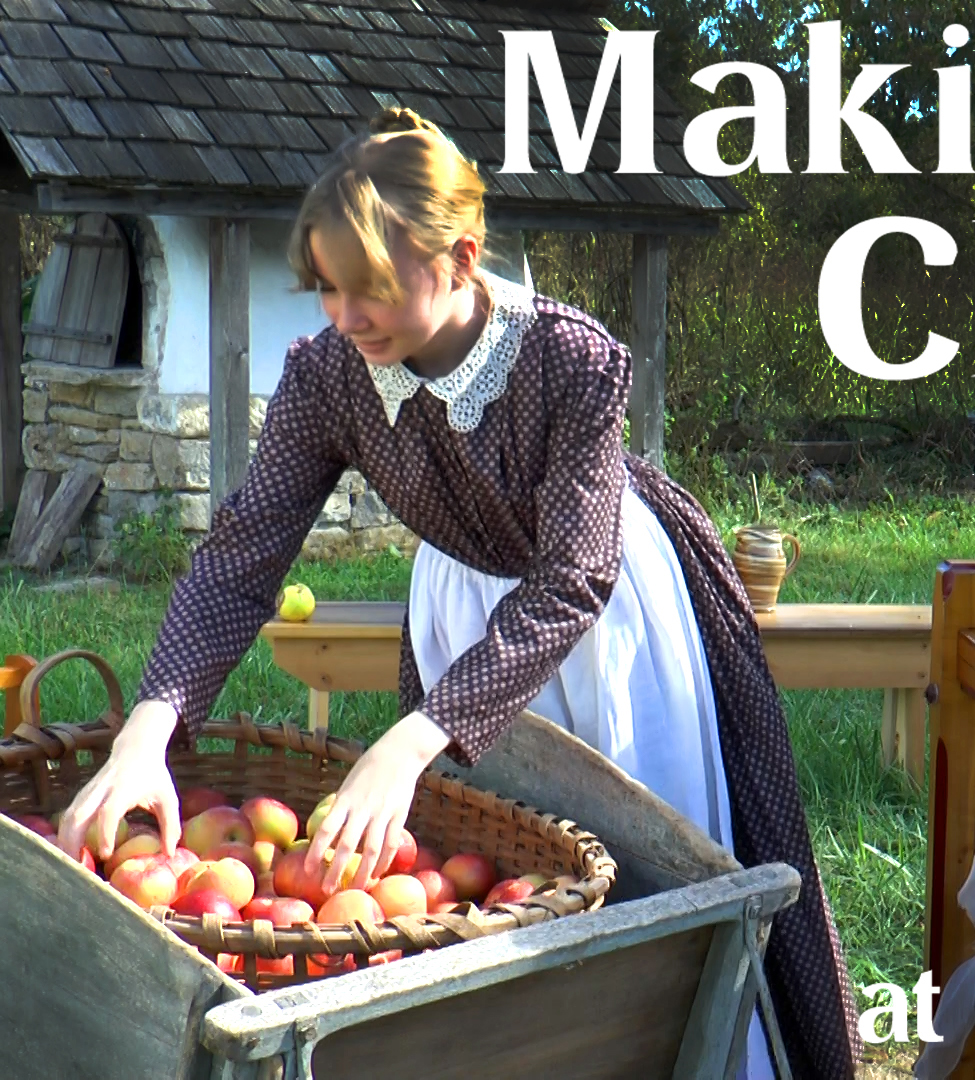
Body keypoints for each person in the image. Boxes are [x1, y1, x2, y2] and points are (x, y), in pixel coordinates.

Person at [54, 107, 861, 1080]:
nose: (345, 318)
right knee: (500, 879)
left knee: (644, 885)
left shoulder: (572, 360)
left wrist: (411, 741)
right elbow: (242, 557)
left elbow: (572, 579)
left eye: (370, 291)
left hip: (609, 617)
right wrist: (151, 726)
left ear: (461, 257)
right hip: (458, 606)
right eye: (327, 291)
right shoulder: (328, 376)